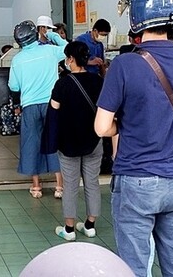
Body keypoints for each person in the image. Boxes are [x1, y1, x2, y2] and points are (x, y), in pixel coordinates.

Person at [94, 0, 173, 277]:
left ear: (136, 18)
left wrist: (128, 127)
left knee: (135, 266)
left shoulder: (124, 65)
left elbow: (101, 127)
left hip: (136, 179)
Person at [50, 41, 103, 241]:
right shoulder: (97, 81)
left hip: (68, 142)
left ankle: (69, 229)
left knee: (70, 185)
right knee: (92, 182)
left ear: (71, 59)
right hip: (93, 139)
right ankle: (90, 225)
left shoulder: (62, 84)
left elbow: (54, 110)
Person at [8, 21, 67, 200]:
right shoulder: (50, 51)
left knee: (31, 143)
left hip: (29, 106)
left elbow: (13, 86)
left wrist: (17, 105)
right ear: (35, 34)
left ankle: (36, 186)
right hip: (52, 104)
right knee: (55, 142)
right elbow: (69, 49)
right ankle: (59, 186)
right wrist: (53, 35)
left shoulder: (17, 60)